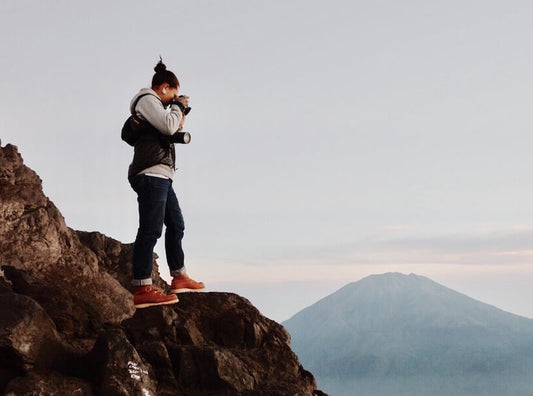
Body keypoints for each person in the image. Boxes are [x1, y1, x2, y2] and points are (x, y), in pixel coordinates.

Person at [128, 59, 205, 309]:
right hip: (150, 173)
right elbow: (170, 125)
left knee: (176, 224)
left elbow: (174, 126)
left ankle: (179, 276)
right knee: (150, 229)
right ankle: (142, 287)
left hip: (161, 174)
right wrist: (177, 106)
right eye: (172, 94)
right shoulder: (147, 99)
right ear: (164, 88)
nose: (172, 100)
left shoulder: (156, 106)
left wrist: (177, 109)